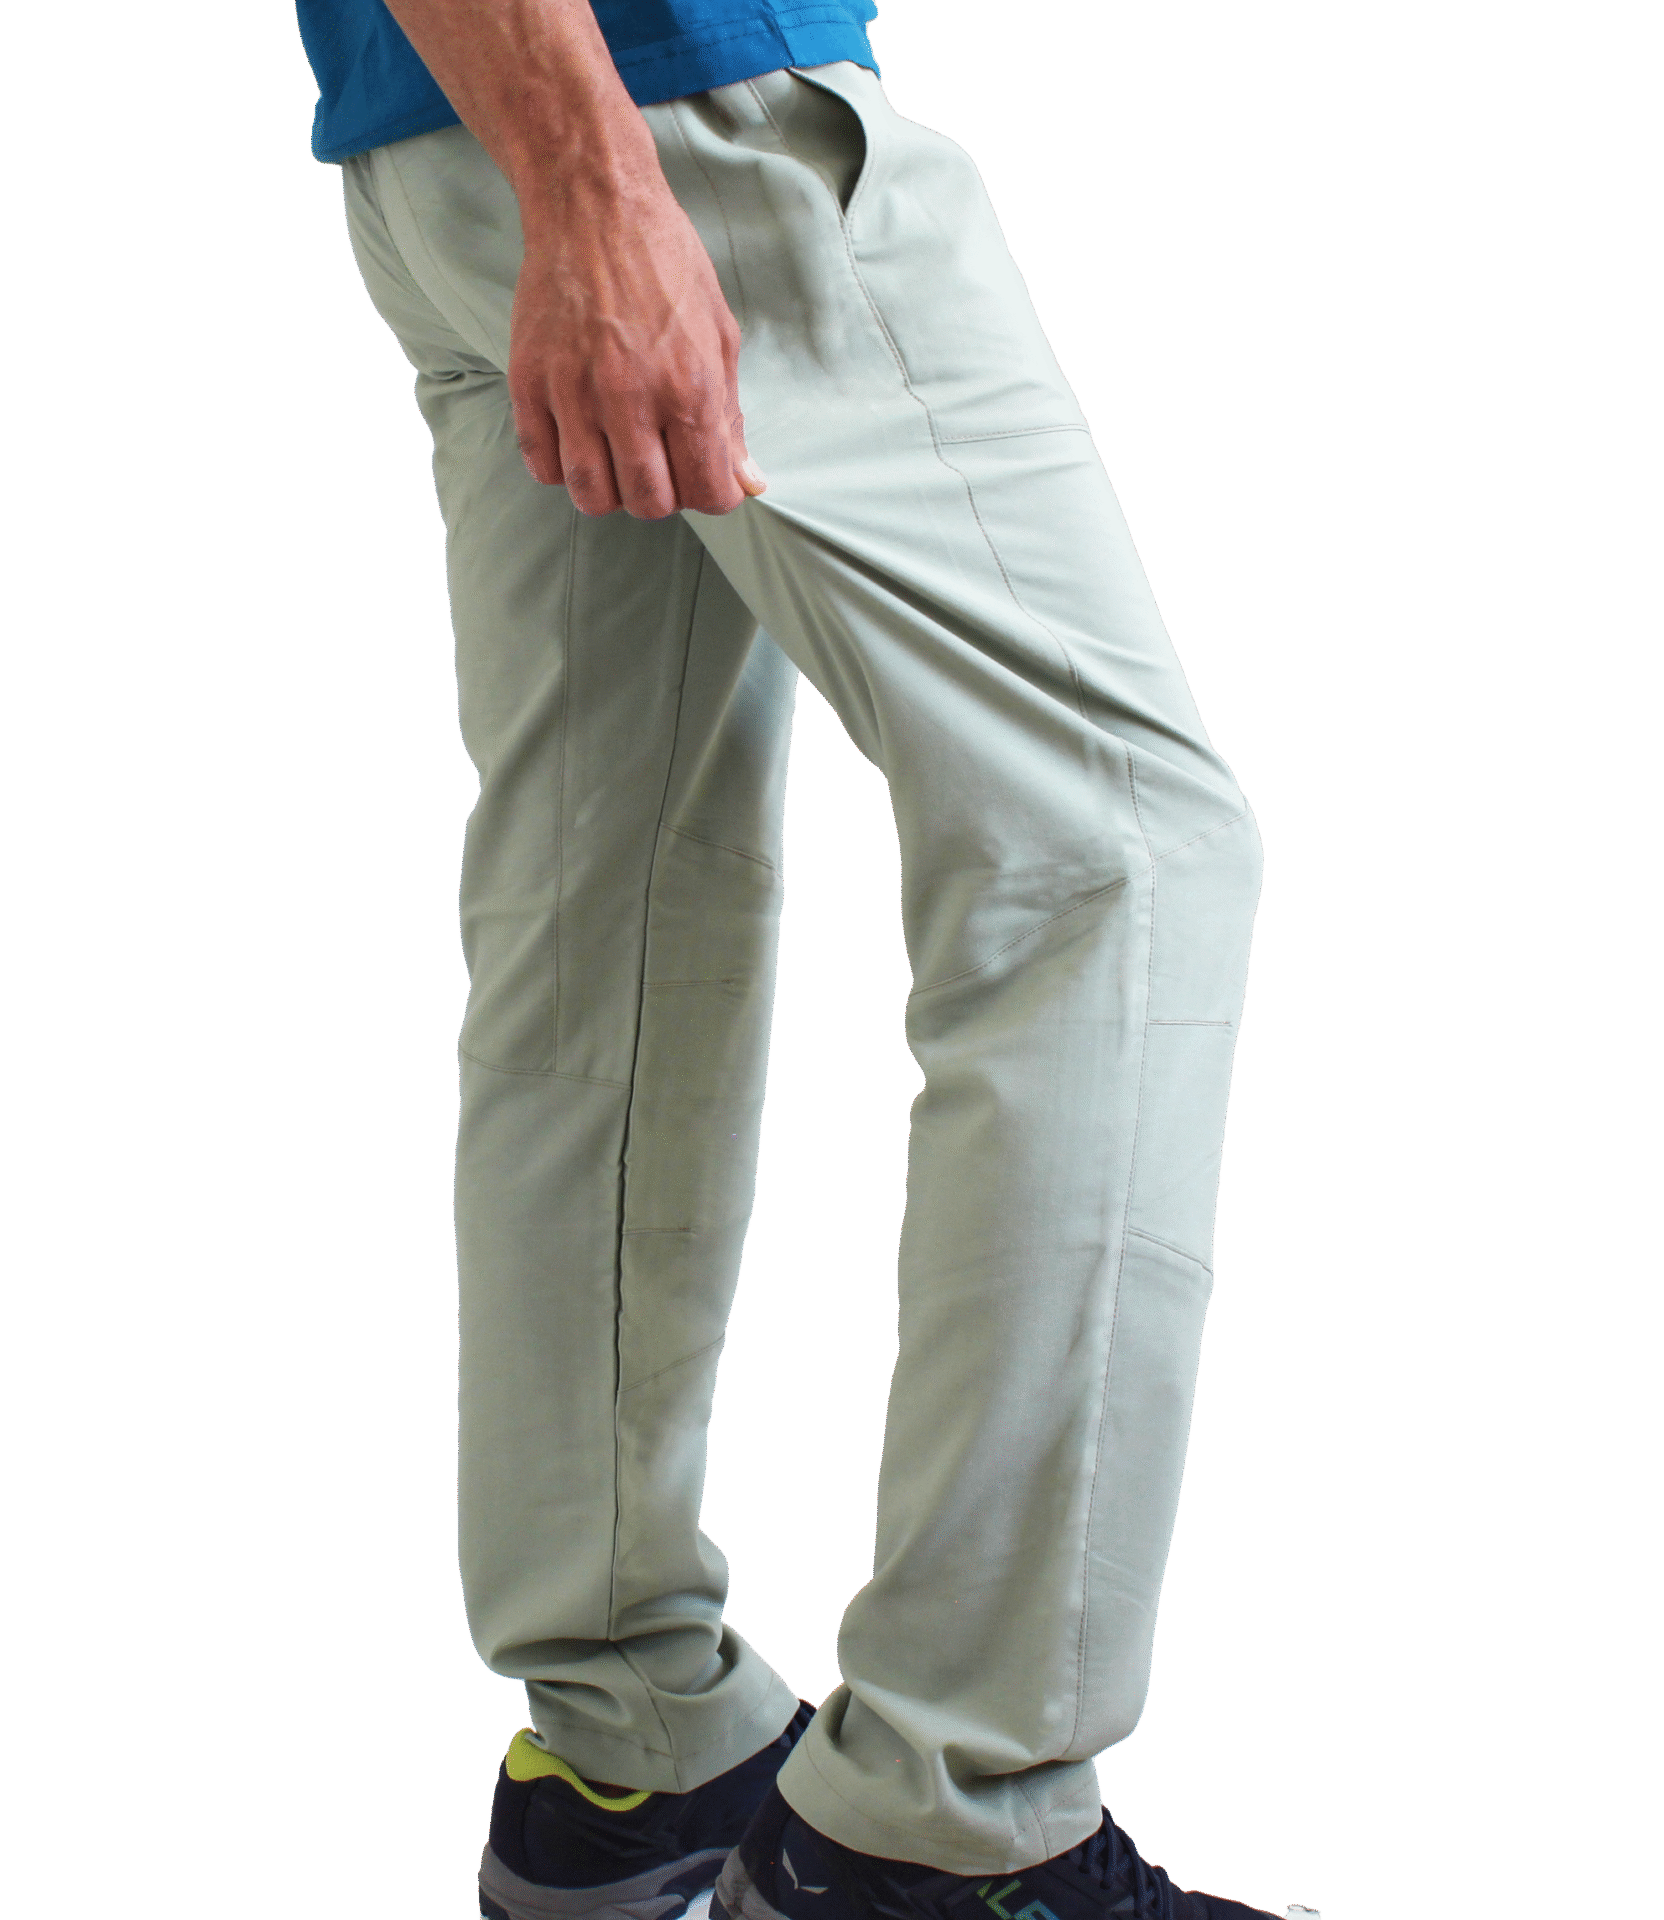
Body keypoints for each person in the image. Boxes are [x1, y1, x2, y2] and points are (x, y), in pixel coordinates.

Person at [292, 2, 1287, 1916]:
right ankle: (947, 1819)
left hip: (452, 137)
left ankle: (631, 1735)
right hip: (678, 115)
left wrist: (555, 167)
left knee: (607, 929)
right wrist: (596, 181)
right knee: (1118, 854)